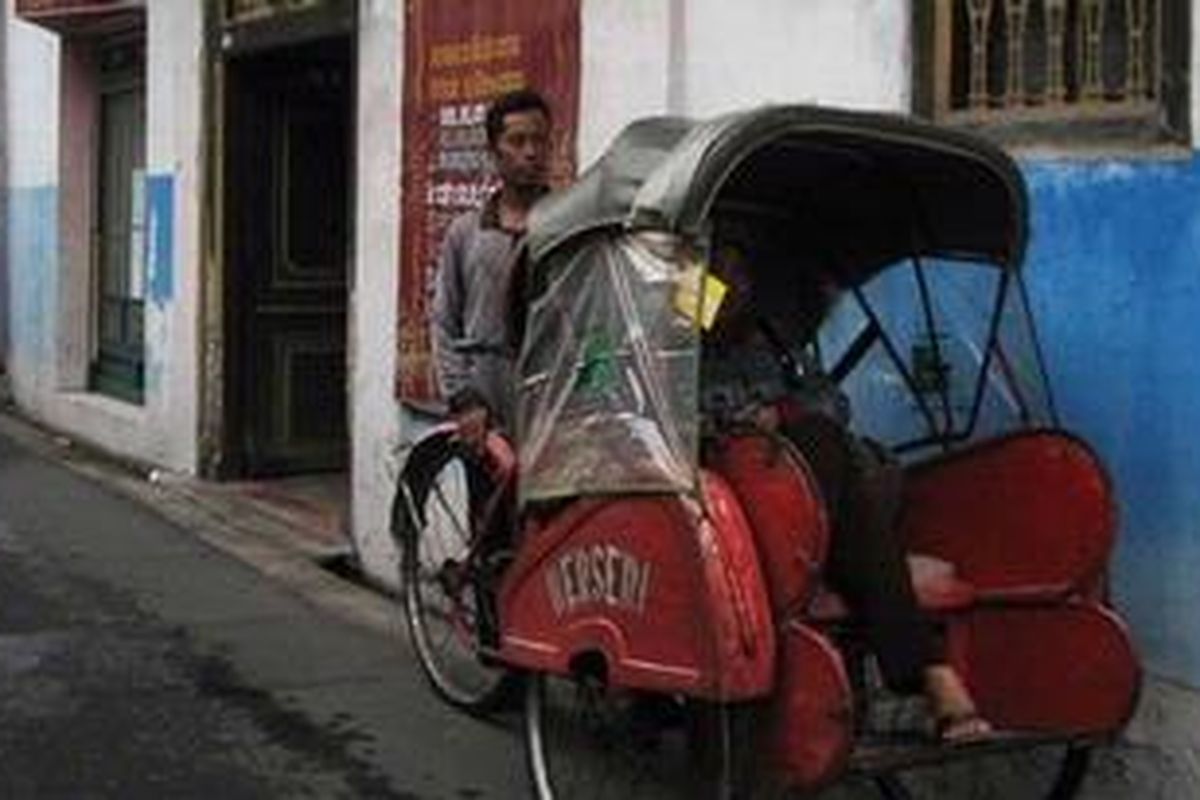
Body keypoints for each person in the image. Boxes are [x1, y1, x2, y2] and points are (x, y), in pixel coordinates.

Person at [701, 243, 993, 744]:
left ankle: (919, 671)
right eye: (717, 278)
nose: (731, 290)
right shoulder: (680, 346)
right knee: (822, 450)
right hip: (734, 499)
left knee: (826, 443)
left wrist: (785, 417)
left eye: (739, 277)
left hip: (812, 492)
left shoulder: (770, 341)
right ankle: (928, 671)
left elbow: (829, 401)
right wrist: (746, 423)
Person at [430, 88, 552, 442]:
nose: (531, 152)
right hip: (485, 408)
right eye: (517, 141)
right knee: (488, 497)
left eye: (540, 141)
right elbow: (444, 322)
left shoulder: (567, 229)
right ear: (494, 151)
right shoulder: (465, 233)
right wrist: (465, 399)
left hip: (551, 407)